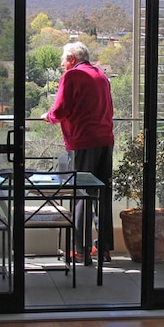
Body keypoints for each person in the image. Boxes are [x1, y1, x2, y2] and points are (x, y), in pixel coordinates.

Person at [41, 42, 114, 262]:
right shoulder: (101, 76)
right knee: (102, 194)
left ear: (72, 58)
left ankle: (80, 251)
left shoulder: (72, 76)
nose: (62, 65)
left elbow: (62, 109)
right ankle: (103, 248)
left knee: (81, 194)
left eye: (63, 60)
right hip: (105, 140)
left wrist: (49, 116)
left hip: (83, 141)